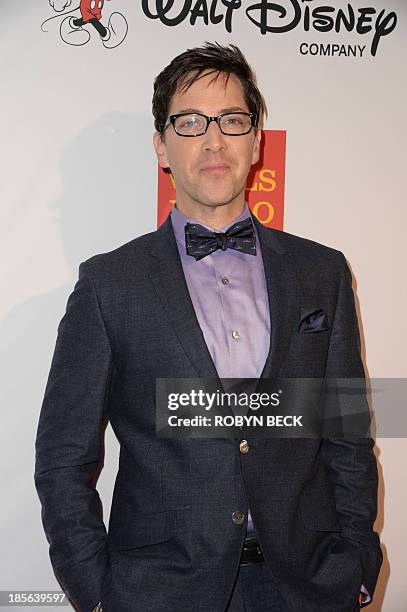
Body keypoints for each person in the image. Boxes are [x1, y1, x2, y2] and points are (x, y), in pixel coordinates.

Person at [34, 42, 382, 611]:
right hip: (159, 592)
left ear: (256, 141)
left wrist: (357, 562)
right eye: (191, 122)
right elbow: (62, 457)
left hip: (308, 589)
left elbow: (347, 435)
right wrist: (96, 592)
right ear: (162, 147)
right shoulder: (108, 284)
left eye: (232, 120)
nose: (213, 140)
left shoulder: (323, 272)